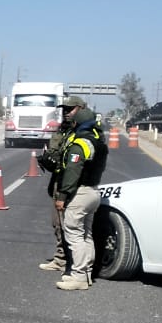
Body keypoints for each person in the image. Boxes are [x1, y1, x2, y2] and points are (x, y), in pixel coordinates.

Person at [52, 98, 107, 291]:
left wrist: (62, 196)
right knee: (86, 234)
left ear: (77, 123)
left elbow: (73, 171)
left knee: (74, 234)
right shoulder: (99, 140)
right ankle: (86, 273)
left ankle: (79, 276)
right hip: (94, 191)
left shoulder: (80, 144)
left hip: (80, 193)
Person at [36, 97, 79, 274]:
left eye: (71, 109)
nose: (66, 112)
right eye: (65, 109)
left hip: (72, 184)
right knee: (57, 223)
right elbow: (56, 154)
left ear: (80, 109)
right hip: (59, 181)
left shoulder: (83, 132)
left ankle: (76, 266)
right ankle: (62, 258)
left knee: (72, 226)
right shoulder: (63, 131)